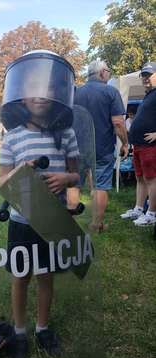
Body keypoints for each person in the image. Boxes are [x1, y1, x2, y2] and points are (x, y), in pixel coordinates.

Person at [0, 50, 80, 358]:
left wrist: (66, 179)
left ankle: (42, 328)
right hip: (21, 219)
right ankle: (19, 332)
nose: (40, 94)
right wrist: (23, 171)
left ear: (58, 93)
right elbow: (2, 181)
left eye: (46, 87)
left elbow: (76, 175)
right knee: (21, 276)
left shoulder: (66, 134)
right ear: (20, 96)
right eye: (32, 87)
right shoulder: (13, 139)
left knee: (46, 275)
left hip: (53, 220)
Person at [74, 60, 129, 233]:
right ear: (102, 73)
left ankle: (70, 224)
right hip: (102, 148)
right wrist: (126, 143)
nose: (110, 74)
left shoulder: (75, 92)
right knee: (100, 186)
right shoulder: (110, 92)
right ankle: (96, 225)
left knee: (74, 185)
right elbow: (119, 123)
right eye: (109, 71)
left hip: (76, 148)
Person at [120, 62, 156, 226]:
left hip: (150, 146)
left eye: (149, 75)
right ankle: (138, 209)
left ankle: (152, 214)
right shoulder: (149, 95)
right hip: (139, 145)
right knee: (140, 178)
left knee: (152, 179)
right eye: (144, 75)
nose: (145, 79)